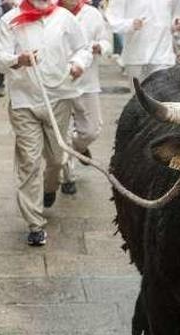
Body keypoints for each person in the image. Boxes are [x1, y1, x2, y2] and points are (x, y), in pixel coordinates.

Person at [0, 0, 93, 246]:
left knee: (58, 159)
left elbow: (83, 48)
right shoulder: (10, 20)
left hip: (59, 98)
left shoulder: (63, 17)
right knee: (29, 161)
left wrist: (78, 64)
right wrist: (19, 59)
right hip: (23, 101)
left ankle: (50, 188)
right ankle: (35, 224)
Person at [59, 0, 112, 195]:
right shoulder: (51, 12)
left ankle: (78, 148)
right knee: (61, 131)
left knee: (90, 131)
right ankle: (67, 177)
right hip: (59, 85)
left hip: (87, 82)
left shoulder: (92, 14)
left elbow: (107, 41)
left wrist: (100, 47)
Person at [106, 0, 180, 81]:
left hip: (163, 55)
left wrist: (177, 23)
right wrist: (130, 24)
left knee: (161, 93)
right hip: (136, 56)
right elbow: (112, 19)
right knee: (139, 93)